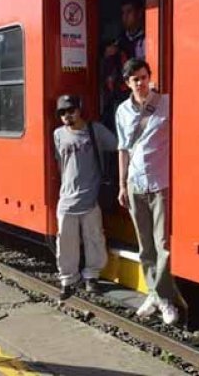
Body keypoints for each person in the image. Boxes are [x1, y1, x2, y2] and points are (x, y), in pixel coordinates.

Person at [115, 58, 180, 325]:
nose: (141, 83)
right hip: (135, 184)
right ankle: (153, 293)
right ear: (127, 83)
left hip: (160, 183)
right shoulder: (122, 111)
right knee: (145, 246)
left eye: (144, 77)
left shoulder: (166, 103)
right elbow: (123, 149)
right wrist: (121, 184)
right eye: (135, 79)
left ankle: (165, 299)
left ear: (149, 77)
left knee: (162, 245)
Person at [53, 94, 117, 299]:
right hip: (66, 199)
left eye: (70, 110)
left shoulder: (95, 130)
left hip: (91, 197)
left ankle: (92, 276)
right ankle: (68, 279)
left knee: (94, 238)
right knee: (65, 242)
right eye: (62, 112)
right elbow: (59, 163)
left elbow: (117, 145)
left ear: (79, 109)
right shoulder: (57, 134)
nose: (67, 116)